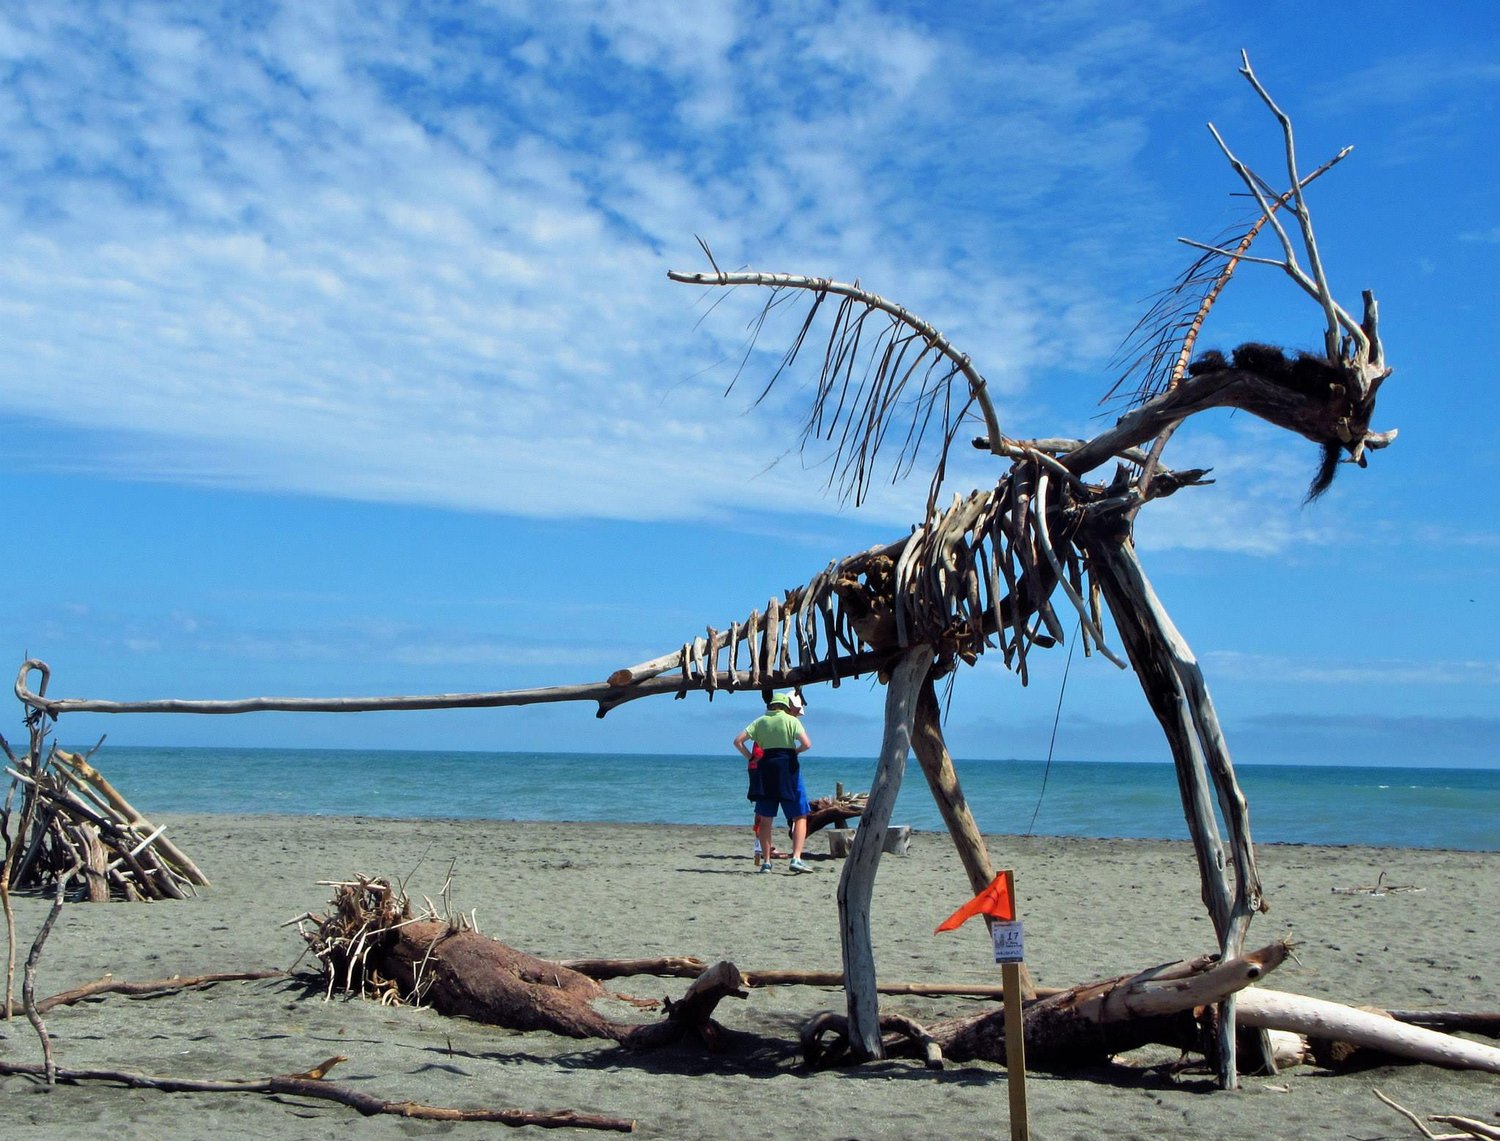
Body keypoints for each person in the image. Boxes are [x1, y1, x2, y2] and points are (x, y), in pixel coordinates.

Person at [734, 690, 814, 874]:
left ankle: (767, 863)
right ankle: (796, 858)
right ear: (786, 707)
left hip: (766, 768)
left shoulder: (760, 721)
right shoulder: (791, 720)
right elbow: (807, 744)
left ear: (770, 706)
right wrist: (797, 751)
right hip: (788, 768)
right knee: (800, 815)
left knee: (766, 818)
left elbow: (738, 741)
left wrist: (751, 757)